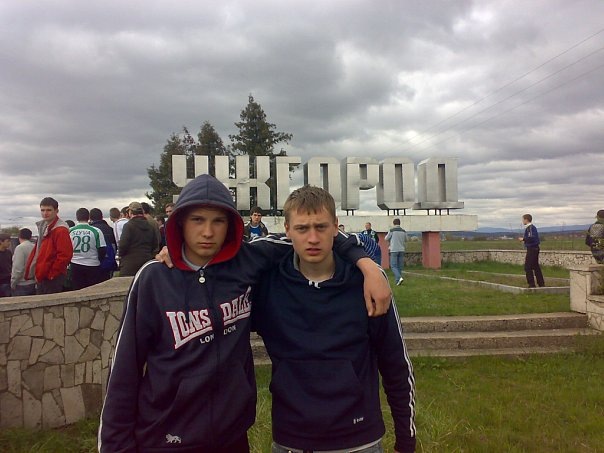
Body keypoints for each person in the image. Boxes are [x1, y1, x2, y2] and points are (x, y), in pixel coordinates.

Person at [99, 174, 391, 453]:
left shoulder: (248, 260)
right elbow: (124, 371)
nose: (207, 232)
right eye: (197, 220)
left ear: (230, 225)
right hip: (166, 437)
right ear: (179, 223)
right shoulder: (154, 278)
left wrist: (366, 264)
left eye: (218, 221)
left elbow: (313, 235)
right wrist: (115, 445)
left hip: (231, 435)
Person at [252, 186, 416, 453]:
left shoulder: (368, 285)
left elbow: (395, 363)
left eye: (321, 227)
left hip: (359, 440)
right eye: (302, 228)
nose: (313, 238)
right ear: (287, 230)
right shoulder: (268, 286)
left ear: (336, 227)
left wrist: (406, 441)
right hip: (291, 439)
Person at [25, 197, 73, 294]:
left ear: (56, 211)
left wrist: (52, 274)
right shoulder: (45, 227)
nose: (45, 213)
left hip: (52, 277)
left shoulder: (60, 230)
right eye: (42, 210)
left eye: (49, 210)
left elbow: (65, 255)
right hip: (43, 275)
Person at [69, 208, 107, 290]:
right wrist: (99, 259)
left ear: (77, 217)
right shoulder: (96, 231)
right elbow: (102, 249)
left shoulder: (70, 231)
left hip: (75, 264)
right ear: (89, 217)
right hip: (92, 264)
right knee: (92, 290)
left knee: (77, 290)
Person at [117, 202, 159, 277]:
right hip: (146, 264)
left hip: (129, 265)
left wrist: (120, 255)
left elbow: (123, 245)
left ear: (130, 212)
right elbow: (155, 244)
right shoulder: (150, 226)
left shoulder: (128, 226)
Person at [90, 208, 118, 281]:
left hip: (93, 263)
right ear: (102, 217)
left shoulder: (91, 230)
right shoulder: (110, 229)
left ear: (90, 218)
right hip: (109, 263)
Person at [518, 214, 545, 288]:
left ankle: (531, 284)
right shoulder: (530, 228)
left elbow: (531, 237)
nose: (522, 221)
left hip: (532, 249)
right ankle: (541, 283)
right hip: (534, 248)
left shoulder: (530, 228)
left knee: (527, 267)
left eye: (523, 219)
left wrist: (523, 239)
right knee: (536, 266)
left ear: (526, 220)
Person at [10, 228, 36, 296]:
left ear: (19, 236)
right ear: (30, 237)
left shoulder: (20, 248)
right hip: (33, 282)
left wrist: (13, 282)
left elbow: (18, 268)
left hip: (21, 284)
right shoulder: (35, 247)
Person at [386, 218, 408, 286]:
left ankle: (399, 277)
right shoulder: (403, 231)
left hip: (394, 249)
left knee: (393, 266)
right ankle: (397, 281)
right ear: (399, 223)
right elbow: (406, 239)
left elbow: (386, 238)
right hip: (401, 249)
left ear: (393, 223)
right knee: (400, 266)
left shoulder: (392, 230)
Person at [0, 233, 12, 297]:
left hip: (7, 281)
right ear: (1, 241)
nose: (9, 243)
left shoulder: (9, 252)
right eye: (7, 241)